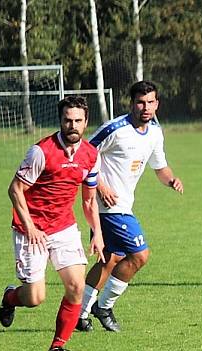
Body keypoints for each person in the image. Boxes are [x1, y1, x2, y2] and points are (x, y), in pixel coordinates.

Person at [0, 96, 105, 351]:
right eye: (68, 120)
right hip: (30, 230)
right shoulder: (41, 152)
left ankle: (57, 346)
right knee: (35, 298)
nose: (72, 126)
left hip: (64, 227)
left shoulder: (91, 156)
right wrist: (30, 226)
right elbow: (15, 189)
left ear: (86, 122)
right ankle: (11, 297)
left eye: (78, 121)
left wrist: (97, 233)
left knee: (77, 286)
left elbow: (89, 200)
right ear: (60, 121)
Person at [76, 80, 183, 333]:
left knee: (110, 259)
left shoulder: (155, 132)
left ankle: (80, 315)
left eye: (150, 102)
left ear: (157, 104)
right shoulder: (115, 129)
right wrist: (100, 185)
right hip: (108, 206)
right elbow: (84, 155)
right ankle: (104, 306)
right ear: (131, 103)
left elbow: (160, 167)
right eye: (140, 102)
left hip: (124, 205)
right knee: (140, 255)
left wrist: (171, 180)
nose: (145, 107)